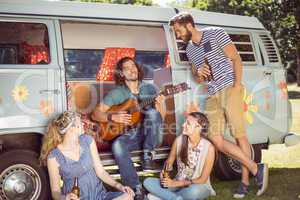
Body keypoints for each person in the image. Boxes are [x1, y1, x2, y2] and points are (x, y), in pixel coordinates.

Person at [169, 12, 268, 198]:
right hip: (212, 94)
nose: (177, 34)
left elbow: (236, 59)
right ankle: (257, 168)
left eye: (178, 30)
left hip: (230, 88)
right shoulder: (190, 49)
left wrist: (237, 86)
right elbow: (199, 76)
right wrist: (198, 71)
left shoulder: (216, 33)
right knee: (216, 139)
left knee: (240, 136)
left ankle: (245, 183)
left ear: (189, 25)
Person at [92, 57, 166, 200]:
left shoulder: (150, 89)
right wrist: (112, 117)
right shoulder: (118, 93)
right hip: (134, 136)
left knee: (151, 113)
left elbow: (159, 119)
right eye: (127, 68)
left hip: (153, 135)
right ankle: (135, 188)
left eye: (134, 66)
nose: (133, 69)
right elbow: (96, 113)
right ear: (121, 74)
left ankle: (148, 157)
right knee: (117, 144)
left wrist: (160, 105)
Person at [40, 111, 134, 200]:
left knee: (127, 196)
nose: (83, 124)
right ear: (71, 129)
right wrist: (65, 198)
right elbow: (55, 192)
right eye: (80, 123)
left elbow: (101, 172)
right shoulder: (54, 157)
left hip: (99, 196)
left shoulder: (88, 141)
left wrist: (119, 186)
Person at [143, 112, 216, 200]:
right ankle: (175, 198)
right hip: (177, 183)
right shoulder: (179, 141)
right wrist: (165, 171)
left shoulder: (209, 148)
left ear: (198, 128)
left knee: (194, 192)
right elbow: (169, 161)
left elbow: (203, 179)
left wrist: (176, 184)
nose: (183, 125)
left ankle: (161, 196)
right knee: (148, 182)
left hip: (197, 186)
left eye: (188, 123)